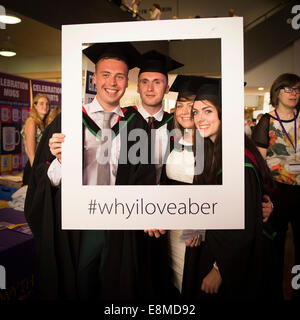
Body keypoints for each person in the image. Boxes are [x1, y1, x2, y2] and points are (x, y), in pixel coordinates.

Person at [24, 42, 166, 300]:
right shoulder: (66, 121)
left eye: (119, 76)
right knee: (80, 286)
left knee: (117, 289)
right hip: (79, 226)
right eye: (105, 74)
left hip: (121, 227)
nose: (112, 82)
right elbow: (44, 183)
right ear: (94, 78)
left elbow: (145, 180)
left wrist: (149, 210)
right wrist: (60, 162)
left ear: (126, 81)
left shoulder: (136, 126)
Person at [182, 82, 278, 300]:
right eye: (196, 112)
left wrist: (219, 269)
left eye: (208, 111)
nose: (200, 118)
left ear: (224, 114)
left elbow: (244, 224)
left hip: (230, 260)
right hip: (211, 245)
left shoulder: (239, 162)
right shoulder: (210, 152)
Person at [252, 73, 300, 299]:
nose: (293, 94)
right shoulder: (267, 121)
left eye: (297, 90)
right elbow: (259, 163)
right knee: (275, 245)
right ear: (277, 92)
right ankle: (274, 293)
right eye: (288, 89)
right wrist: (262, 195)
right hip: (277, 192)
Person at [137, 50, 183, 184]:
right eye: (144, 82)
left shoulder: (176, 126)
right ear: (138, 87)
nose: (150, 88)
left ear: (167, 88)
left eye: (157, 82)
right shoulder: (122, 122)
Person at [21, 93, 51, 185]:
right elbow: (31, 153)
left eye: (47, 104)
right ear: (35, 105)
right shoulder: (31, 122)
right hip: (33, 166)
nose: (45, 106)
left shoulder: (44, 123)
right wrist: (36, 173)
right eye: (41, 103)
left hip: (42, 165)